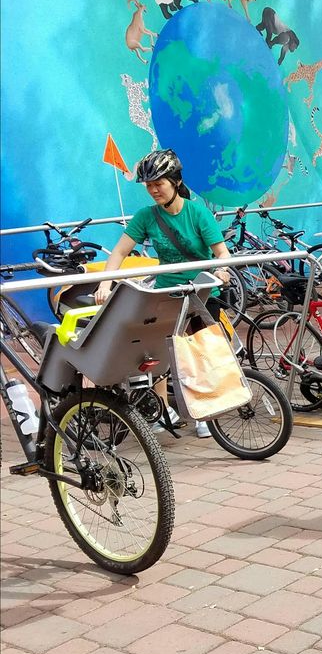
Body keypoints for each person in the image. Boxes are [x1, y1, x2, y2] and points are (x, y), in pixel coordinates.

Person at [95, 148, 231, 438]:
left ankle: (205, 412)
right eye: (149, 185)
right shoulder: (146, 216)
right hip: (166, 290)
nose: (153, 190)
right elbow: (119, 251)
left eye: (159, 183)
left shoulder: (197, 213)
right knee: (157, 350)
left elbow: (221, 252)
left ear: (176, 182)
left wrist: (222, 270)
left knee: (200, 351)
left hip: (200, 290)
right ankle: (163, 409)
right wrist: (105, 283)